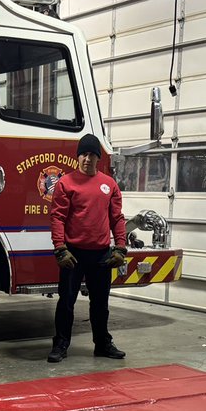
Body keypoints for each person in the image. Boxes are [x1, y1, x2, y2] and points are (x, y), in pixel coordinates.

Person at [47, 133, 128, 363]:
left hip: (101, 254)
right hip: (73, 254)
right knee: (66, 302)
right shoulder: (65, 183)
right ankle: (61, 345)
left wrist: (120, 247)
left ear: (98, 158)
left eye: (92, 155)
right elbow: (58, 218)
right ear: (77, 157)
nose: (87, 158)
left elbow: (117, 218)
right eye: (83, 154)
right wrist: (60, 248)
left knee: (100, 303)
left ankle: (102, 343)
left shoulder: (109, 184)